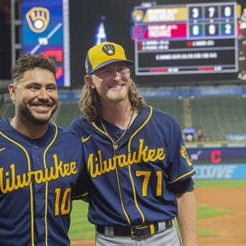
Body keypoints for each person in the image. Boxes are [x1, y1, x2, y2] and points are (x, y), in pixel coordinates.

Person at [67, 41, 197, 245]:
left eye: (121, 69)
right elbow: (67, 189)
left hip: (163, 238)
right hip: (111, 239)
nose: (116, 76)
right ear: (90, 81)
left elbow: (183, 189)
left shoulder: (164, 124)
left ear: (128, 73)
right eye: (105, 71)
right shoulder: (78, 133)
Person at [0, 54, 84, 245]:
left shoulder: (71, 145)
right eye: (33, 87)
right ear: (13, 92)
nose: (43, 96)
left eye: (50, 88)